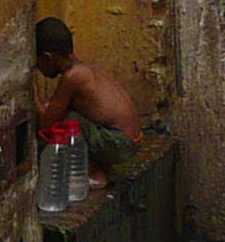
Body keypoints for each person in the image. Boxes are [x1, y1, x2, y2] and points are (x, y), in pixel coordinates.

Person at [33, 18, 144, 174]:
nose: (39, 70)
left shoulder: (72, 78)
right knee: (73, 118)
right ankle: (101, 168)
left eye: (38, 64)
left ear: (47, 58)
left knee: (71, 122)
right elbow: (53, 107)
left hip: (120, 143)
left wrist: (31, 86)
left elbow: (47, 122)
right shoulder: (82, 69)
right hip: (129, 140)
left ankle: (94, 173)